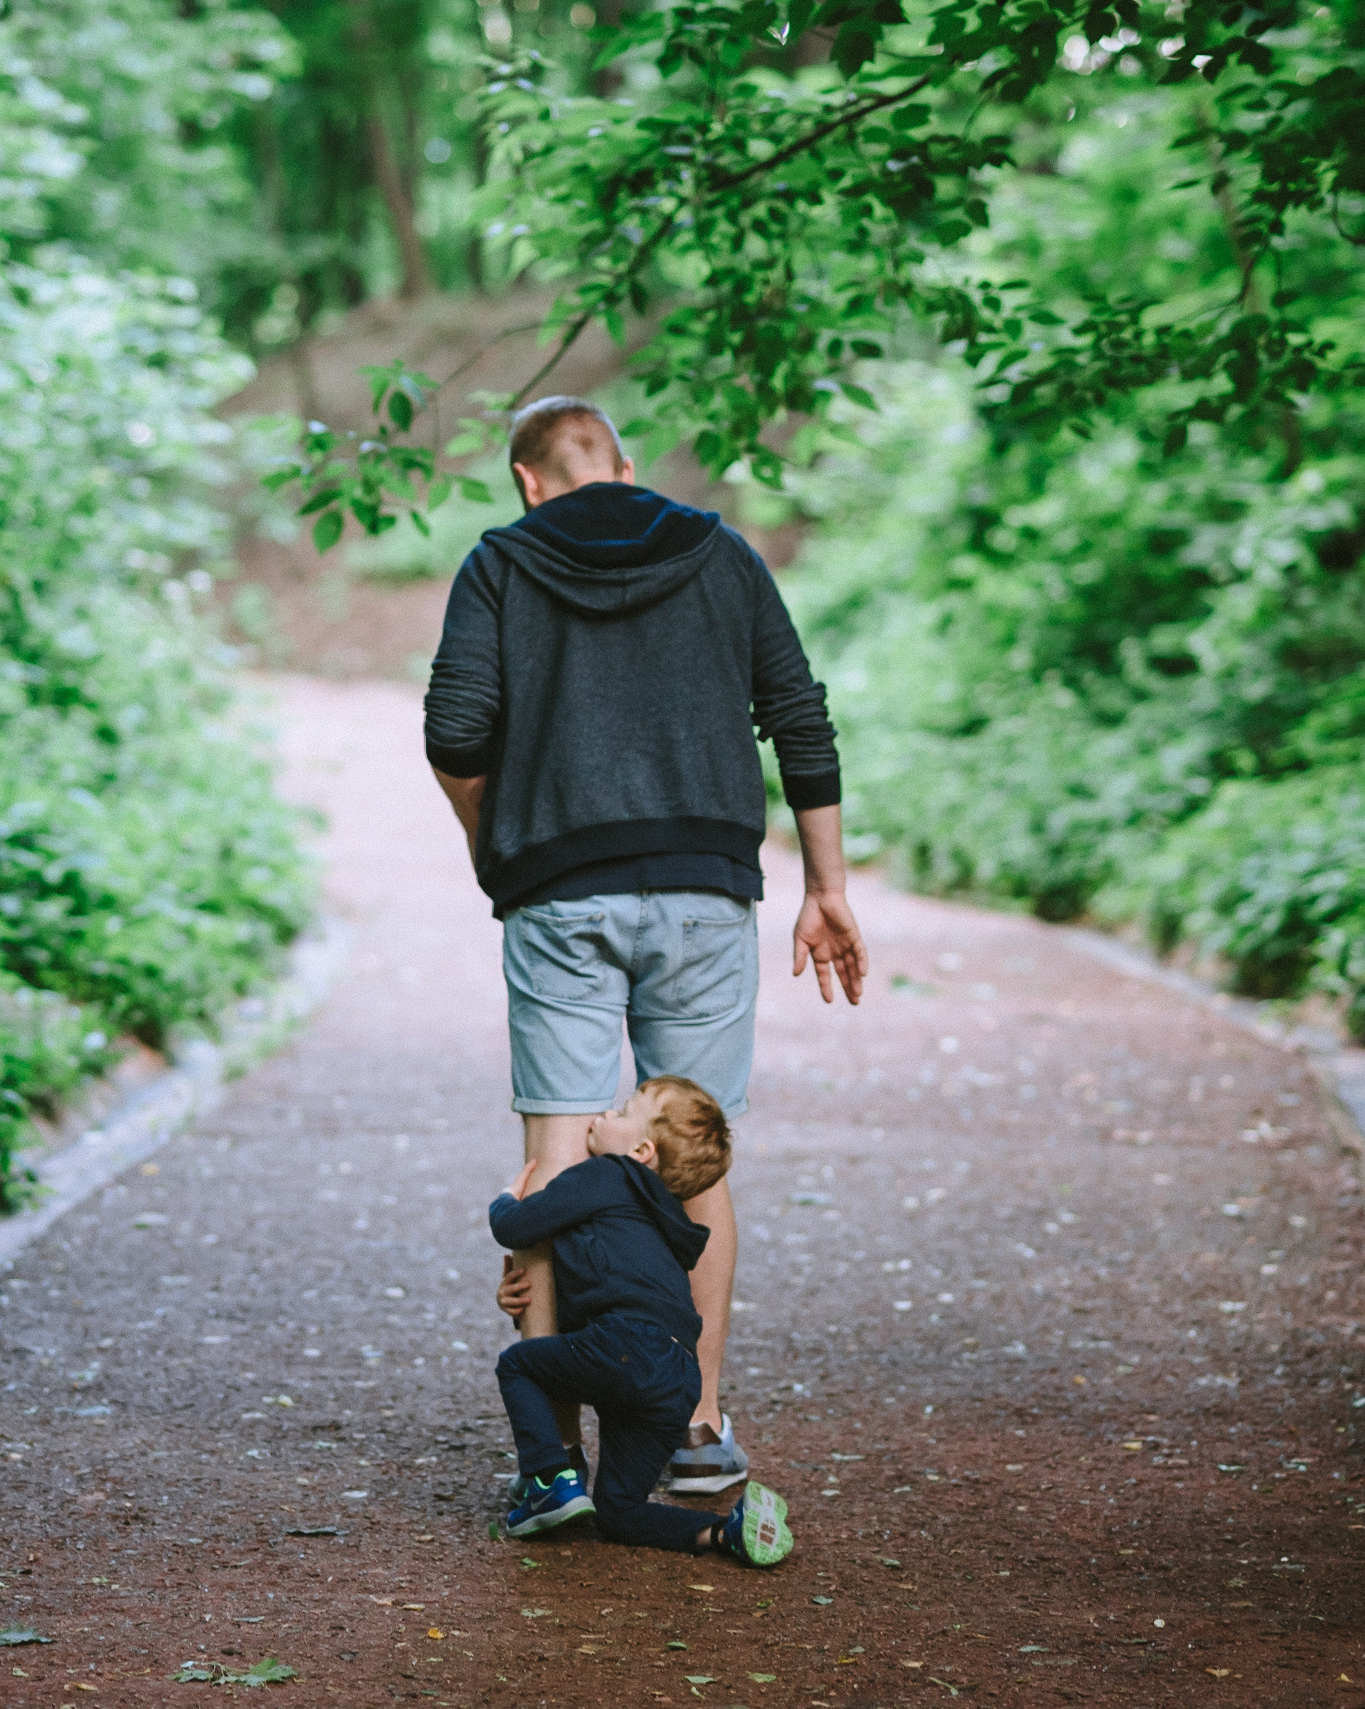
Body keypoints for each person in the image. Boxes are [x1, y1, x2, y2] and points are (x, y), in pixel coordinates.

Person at [425, 394, 868, 1490]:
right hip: (706, 892)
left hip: (559, 898)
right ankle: (696, 1424)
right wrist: (827, 887)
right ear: (622, 465)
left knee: (557, 1157)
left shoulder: (500, 562)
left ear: (528, 480)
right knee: (692, 1161)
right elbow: (799, 719)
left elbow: (452, 731)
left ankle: (555, 1465)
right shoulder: (722, 554)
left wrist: (497, 848)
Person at [488, 1076, 793, 1564]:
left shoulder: (609, 1175)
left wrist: (506, 1198)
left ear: (641, 1149)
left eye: (623, 1111)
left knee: (519, 1366)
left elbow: (514, 1226)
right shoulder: (667, 1224)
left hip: (625, 1346)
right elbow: (609, 1280)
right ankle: (724, 1533)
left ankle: (548, 1480)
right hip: (677, 1378)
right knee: (619, 1512)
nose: (605, 1115)